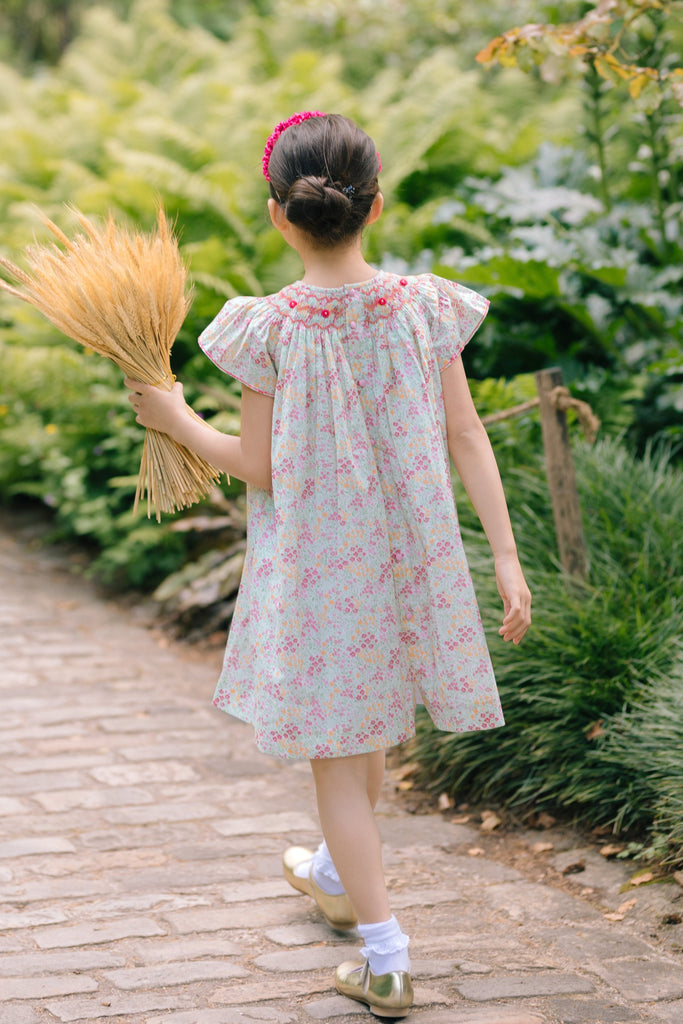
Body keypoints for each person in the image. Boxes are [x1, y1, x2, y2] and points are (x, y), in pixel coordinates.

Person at [126, 111, 531, 1018]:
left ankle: (384, 958)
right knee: (368, 731)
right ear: (375, 206)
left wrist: (174, 420)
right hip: (404, 564)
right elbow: (465, 435)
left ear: (280, 217)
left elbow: (259, 467)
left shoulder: (268, 329)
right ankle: (334, 877)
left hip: (319, 574)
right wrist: (504, 558)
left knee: (334, 760)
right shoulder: (426, 306)